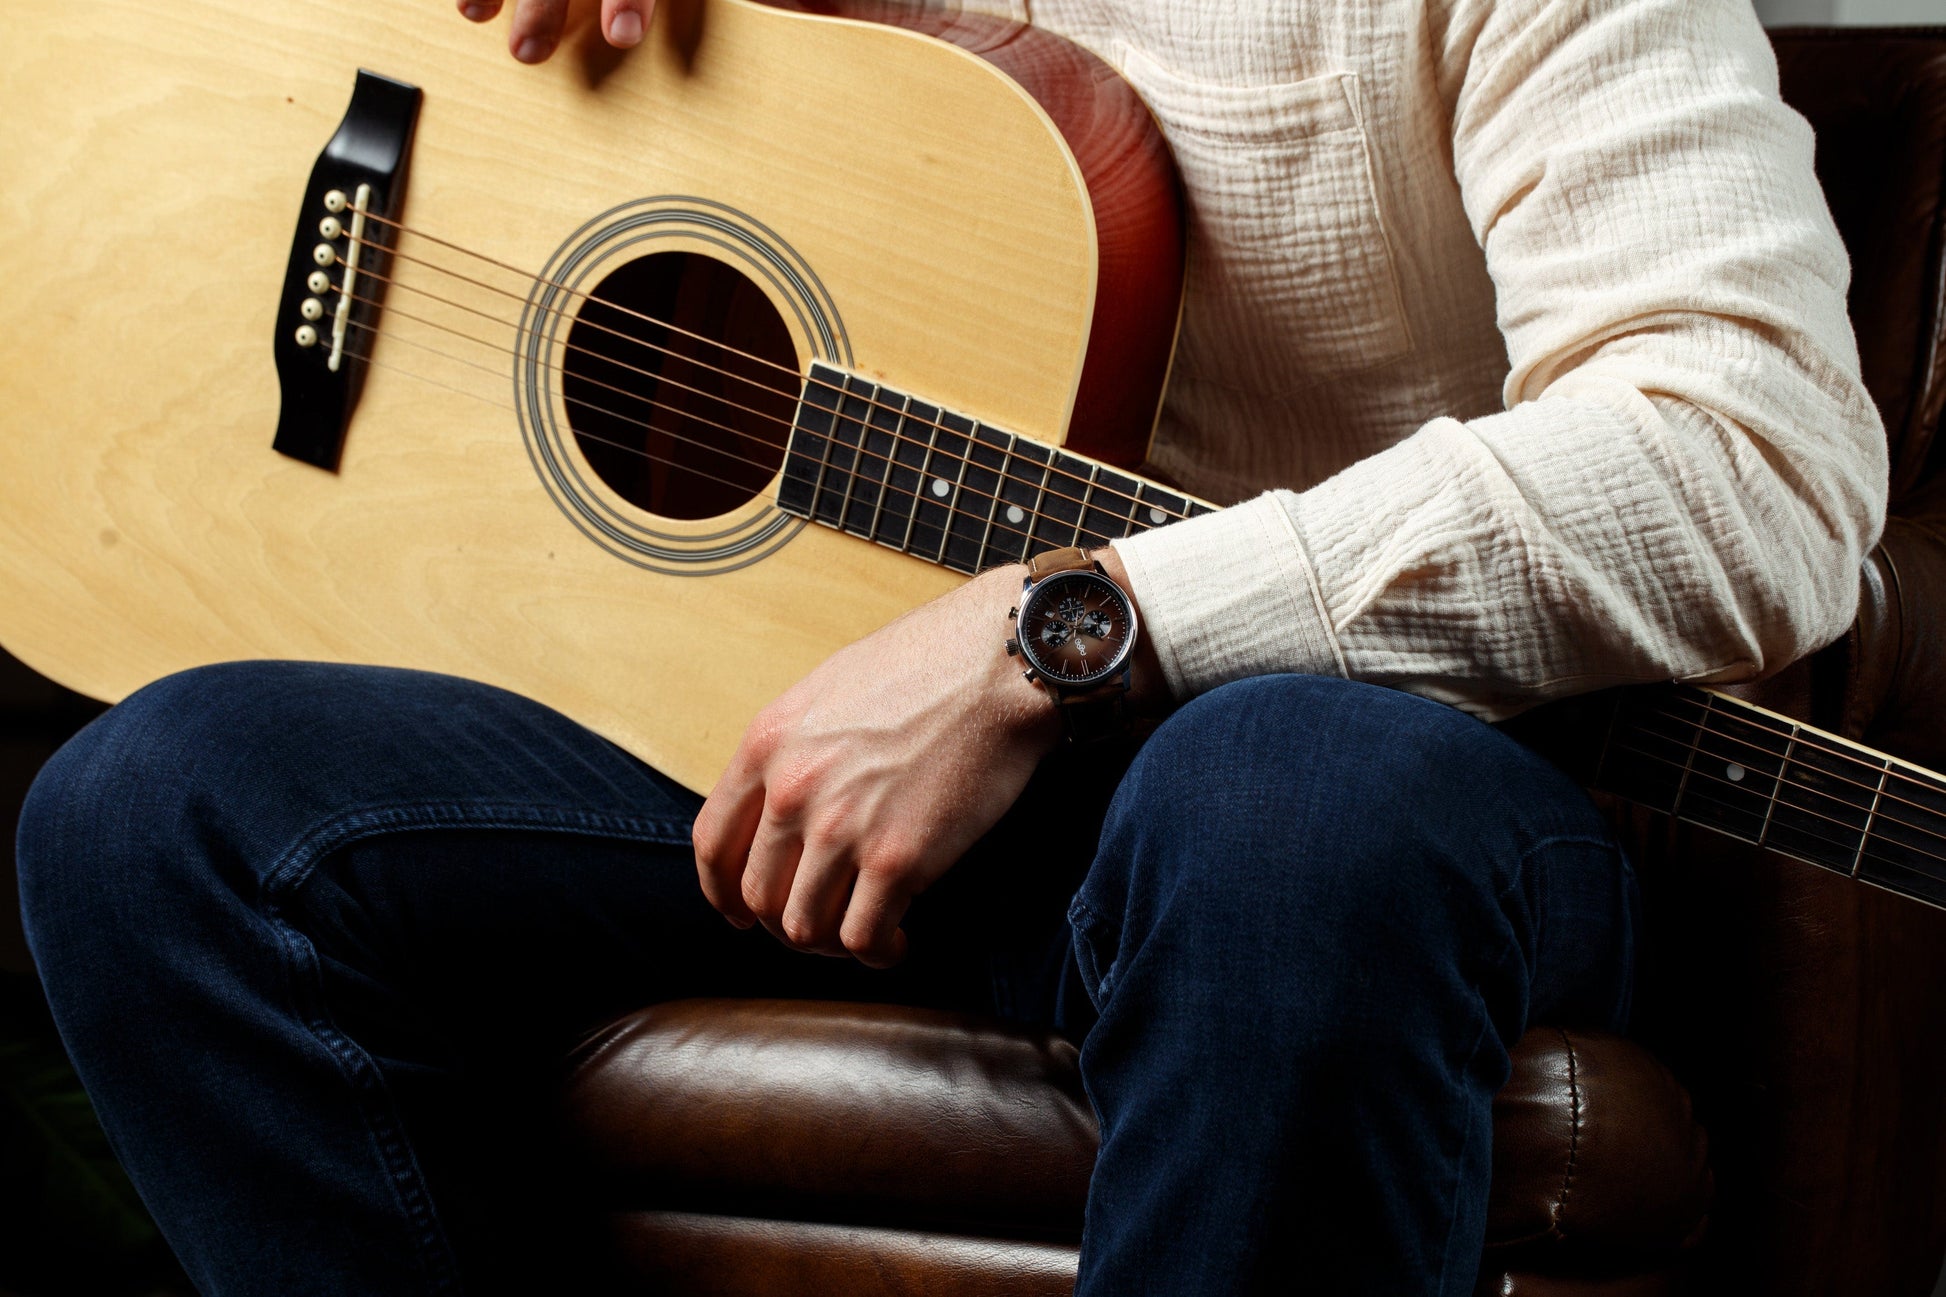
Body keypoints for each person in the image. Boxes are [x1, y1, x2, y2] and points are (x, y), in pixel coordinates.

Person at [17, 0, 1885, 1292]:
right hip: (778, 739)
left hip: (1344, 807)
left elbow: (1750, 461)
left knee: (1285, 796)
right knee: (157, 808)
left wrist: (1062, 637)